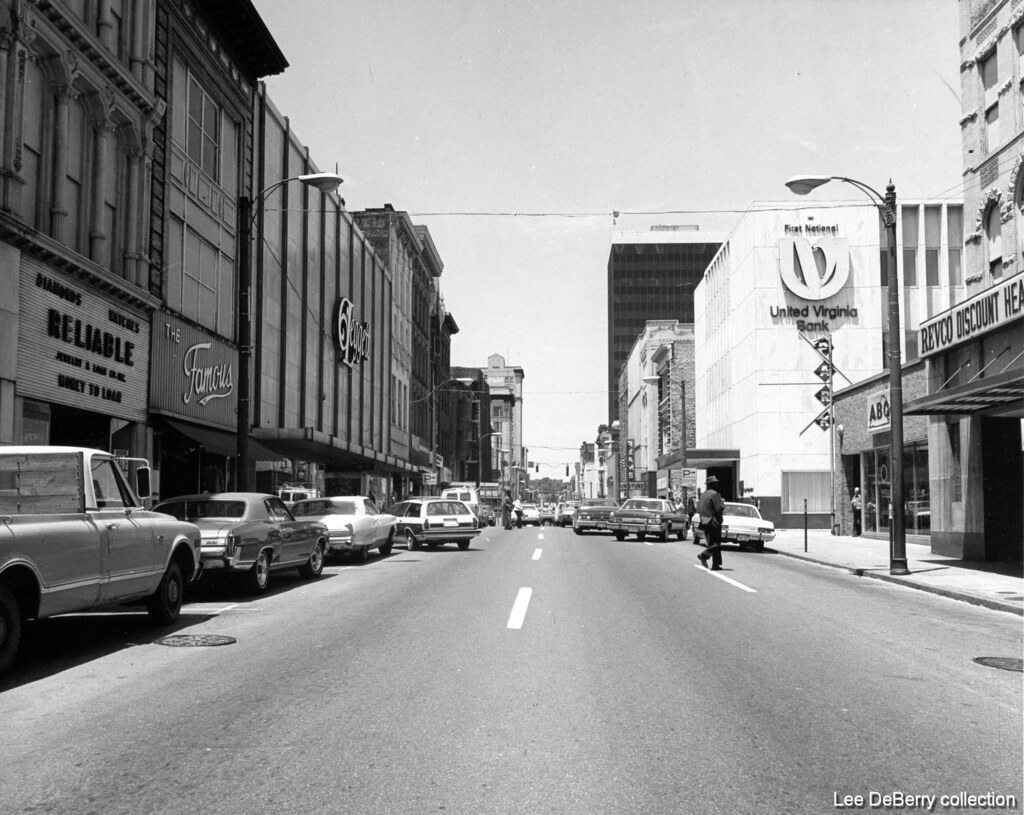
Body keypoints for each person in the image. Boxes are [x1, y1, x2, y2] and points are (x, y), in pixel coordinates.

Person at [697, 475, 726, 571]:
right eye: (716, 483)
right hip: (713, 521)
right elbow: (719, 508)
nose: (717, 485)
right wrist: (722, 503)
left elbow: (699, 509)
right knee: (716, 543)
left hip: (704, 521)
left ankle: (716, 564)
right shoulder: (714, 494)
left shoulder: (703, 494)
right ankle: (704, 555)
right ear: (712, 485)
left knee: (712, 543)